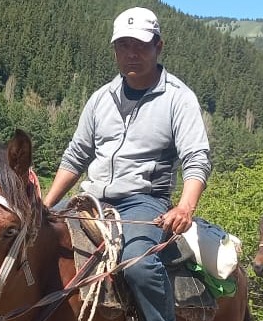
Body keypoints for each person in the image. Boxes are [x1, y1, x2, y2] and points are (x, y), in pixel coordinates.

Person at [40, 6, 211, 321]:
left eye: (141, 45)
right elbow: (76, 155)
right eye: (123, 45)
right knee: (29, 238)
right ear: (114, 49)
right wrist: (44, 206)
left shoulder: (178, 98)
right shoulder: (100, 98)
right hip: (89, 198)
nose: (131, 53)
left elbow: (196, 157)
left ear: (158, 46)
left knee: (138, 264)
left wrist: (185, 207)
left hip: (143, 201)